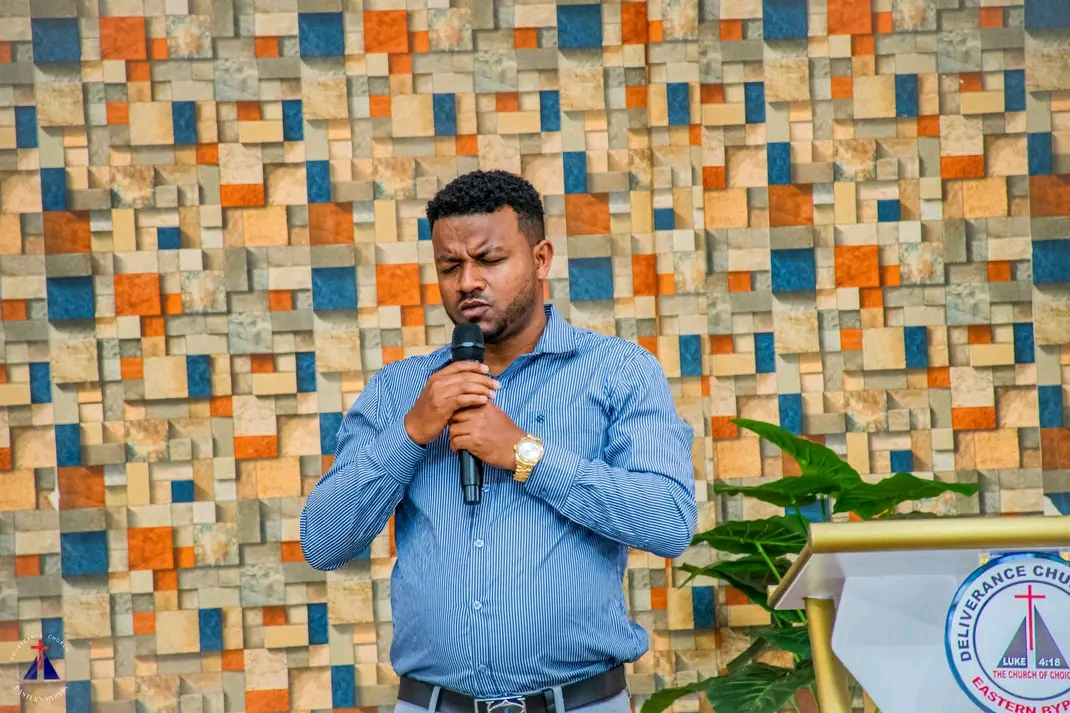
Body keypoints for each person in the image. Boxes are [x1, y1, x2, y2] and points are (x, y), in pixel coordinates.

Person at [300, 170, 698, 713]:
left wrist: (524, 455)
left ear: (540, 259)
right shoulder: (399, 390)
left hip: (580, 703)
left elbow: (669, 522)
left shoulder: (620, 371)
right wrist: (411, 433)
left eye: (489, 260)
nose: (468, 282)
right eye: (450, 266)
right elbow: (324, 543)